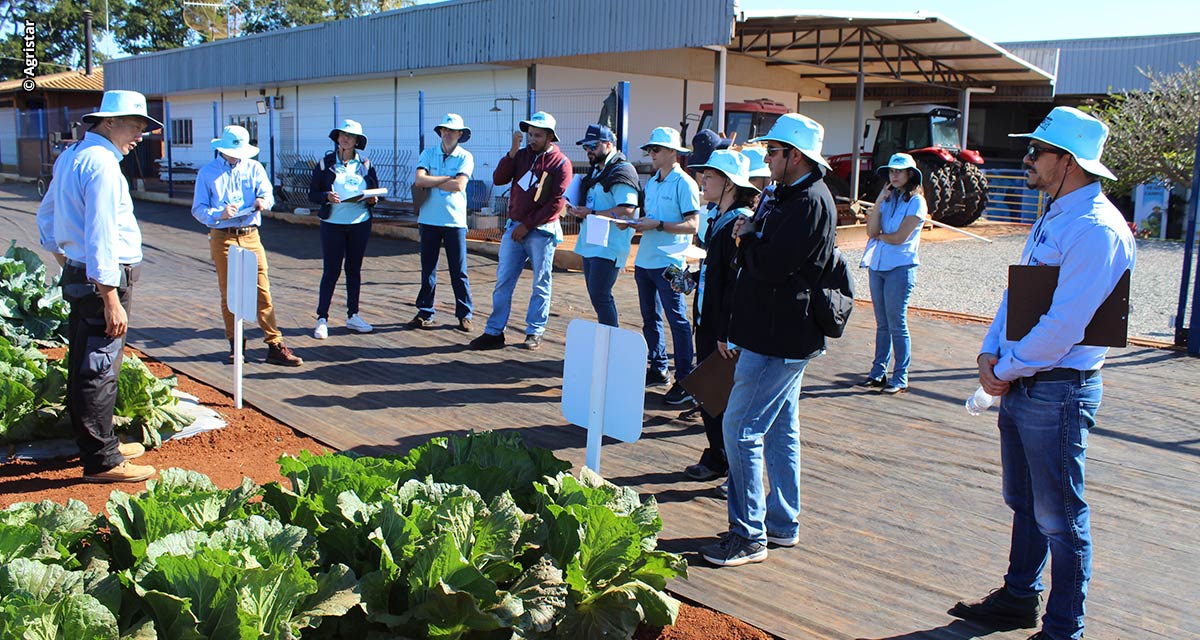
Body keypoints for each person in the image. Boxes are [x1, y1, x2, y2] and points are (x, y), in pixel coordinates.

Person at [949, 107, 1136, 640]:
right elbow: (1018, 298)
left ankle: (1062, 630)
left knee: (1060, 516)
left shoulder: (1096, 230)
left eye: (1037, 151)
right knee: (1027, 504)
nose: (1027, 159)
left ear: (1068, 162)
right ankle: (1018, 599)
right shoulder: (1058, 214)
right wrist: (990, 356)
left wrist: (1002, 368)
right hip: (1029, 384)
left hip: (1057, 389)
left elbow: (1063, 326)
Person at [699, 113, 836, 567]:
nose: (766, 159)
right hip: (776, 331)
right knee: (780, 429)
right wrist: (754, 236)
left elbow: (771, 266)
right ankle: (779, 522)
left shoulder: (808, 201)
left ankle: (748, 534)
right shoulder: (789, 194)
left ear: (795, 156)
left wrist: (747, 240)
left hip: (780, 336)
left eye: (773, 152)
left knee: (740, 428)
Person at [35, 89, 159, 483]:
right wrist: (109, 296)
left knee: (83, 361)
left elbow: (48, 214)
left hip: (79, 271)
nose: (140, 134)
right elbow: (102, 232)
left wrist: (65, 258)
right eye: (135, 125)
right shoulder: (103, 165)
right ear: (108, 122)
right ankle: (102, 459)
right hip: (104, 277)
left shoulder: (72, 156)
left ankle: (95, 442)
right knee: (100, 367)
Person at [193, 125, 303, 366]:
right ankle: (236, 344)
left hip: (251, 234)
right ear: (222, 150)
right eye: (234, 151)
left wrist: (264, 200)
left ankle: (274, 344)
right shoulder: (207, 173)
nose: (238, 156)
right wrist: (220, 213)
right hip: (223, 235)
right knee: (229, 291)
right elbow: (198, 209)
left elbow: (269, 195)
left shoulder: (254, 168)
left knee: (262, 289)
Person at [680, 150, 760, 484]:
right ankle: (718, 457)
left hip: (720, 328)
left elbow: (735, 284)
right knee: (711, 396)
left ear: (729, 183)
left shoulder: (736, 222)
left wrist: (726, 329)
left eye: (710, 175)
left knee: (720, 399)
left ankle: (726, 464)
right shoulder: (721, 218)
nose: (703, 180)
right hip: (710, 323)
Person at [469, 111, 572, 351]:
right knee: (503, 281)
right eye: (529, 134)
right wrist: (512, 152)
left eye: (537, 135)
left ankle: (535, 331)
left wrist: (528, 225)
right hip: (514, 228)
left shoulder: (560, 163)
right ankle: (494, 332)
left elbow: (557, 202)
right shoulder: (521, 155)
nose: (531, 139)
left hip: (541, 231)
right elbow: (499, 178)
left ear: (550, 137)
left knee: (541, 282)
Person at [630, 127, 700, 405]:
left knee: (677, 321)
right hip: (645, 260)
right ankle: (659, 368)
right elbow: (652, 219)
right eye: (650, 149)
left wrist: (656, 224)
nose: (652, 154)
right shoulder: (654, 182)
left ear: (673, 152)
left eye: (656, 149)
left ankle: (685, 378)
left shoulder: (685, 183)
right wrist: (635, 223)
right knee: (651, 318)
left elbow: (693, 224)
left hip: (670, 262)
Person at [858, 153, 926, 395]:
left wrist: (879, 236)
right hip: (878, 266)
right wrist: (878, 201)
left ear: (910, 175)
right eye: (891, 171)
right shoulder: (887, 199)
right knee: (882, 324)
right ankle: (878, 373)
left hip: (900, 268)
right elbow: (871, 230)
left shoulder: (917, 202)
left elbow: (899, 238)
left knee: (897, 324)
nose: (894, 175)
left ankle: (900, 376)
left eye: (899, 171)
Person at [307, 119, 379, 339]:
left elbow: (374, 191)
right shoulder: (324, 163)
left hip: (360, 223)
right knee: (331, 271)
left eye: (351, 136)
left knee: (354, 270)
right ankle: (322, 318)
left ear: (357, 141)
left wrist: (372, 200)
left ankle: (353, 315)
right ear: (337, 138)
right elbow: (312, 194)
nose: (346, 139)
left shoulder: (365, 164)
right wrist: (326, 197)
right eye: (342, 135)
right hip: (332, 225)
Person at [567, 124, 639, 327]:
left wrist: (591, 213)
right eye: (585, 147)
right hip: (592, 242)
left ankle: (610, 341)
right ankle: (607, 341)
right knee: (597, 296)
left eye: (593, 145)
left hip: (609, 246)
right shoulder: (598, 171)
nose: (588, 150)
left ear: (608, 144)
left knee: (601, 295)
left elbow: (627, 210)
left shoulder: (622, 170)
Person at [410, 113, 475, 332]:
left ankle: (465, 314)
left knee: (459, 270)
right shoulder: (428, 153)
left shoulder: (466, 156)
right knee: (428, 269)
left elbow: (460, 186)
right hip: (428, 219)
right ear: (440, 132)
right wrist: (447, 179)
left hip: (454, 221)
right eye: (444, 130)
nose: (447, 133)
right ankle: (425, 312)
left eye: (452, 131)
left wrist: (433, 181)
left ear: (460, 134)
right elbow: (419, 180)